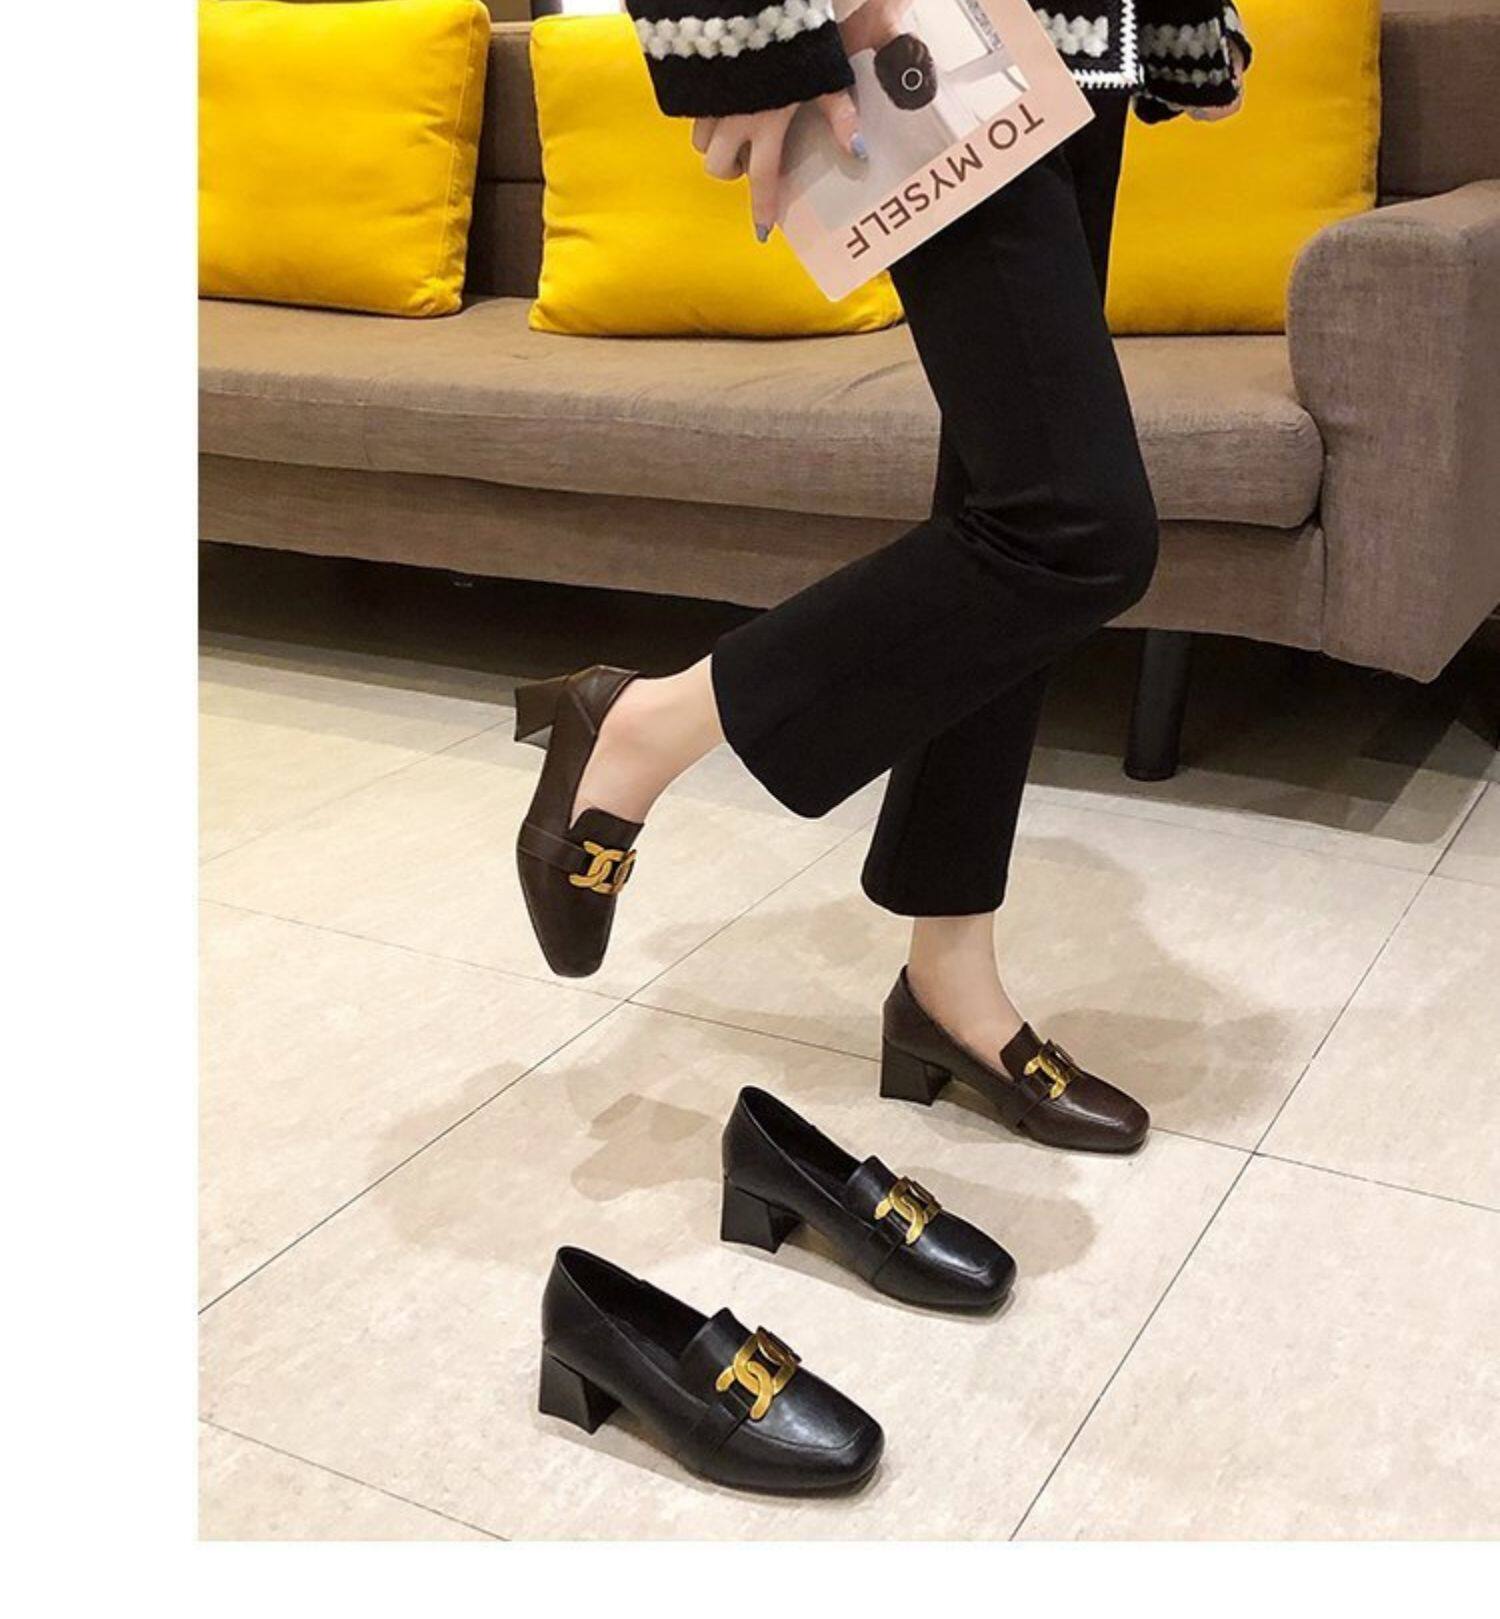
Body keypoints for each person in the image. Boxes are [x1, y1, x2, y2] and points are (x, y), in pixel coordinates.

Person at [515, 2, 1250, 1154]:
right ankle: (645, 725)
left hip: (1065, 43)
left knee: (1004, 504)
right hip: (919, 25)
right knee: (1074, 529)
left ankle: (950, 982)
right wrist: (753, 31)